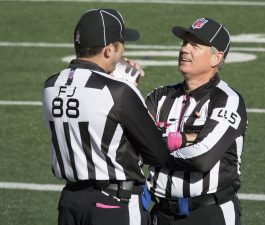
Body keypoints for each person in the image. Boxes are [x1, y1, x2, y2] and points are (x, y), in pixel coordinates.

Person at [42, 8, 170, 225]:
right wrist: (127, 86)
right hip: (113, 205)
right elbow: (157, 154)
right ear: (109, 50)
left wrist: (114, 81)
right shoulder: (119, 92)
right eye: (121, 46)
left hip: (71, 202)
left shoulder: (50, 85)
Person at [146, 17, 248, 225]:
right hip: (160, 213)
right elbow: (134, 143)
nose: (185, 49)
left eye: (195, 45)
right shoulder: (160, 96)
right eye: (185, 43)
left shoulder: (227, 100)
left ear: (216, 58)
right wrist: (185, 139)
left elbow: (203, 158)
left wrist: (156, 149)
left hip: (208, 213)